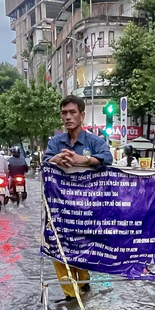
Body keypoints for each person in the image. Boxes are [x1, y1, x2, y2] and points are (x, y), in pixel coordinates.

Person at [44, 95, 113, 299]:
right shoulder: (56, 142)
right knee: (58, 247)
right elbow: (45, 161)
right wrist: (55, 159)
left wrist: (84, 160)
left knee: (82, 247)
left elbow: (107, 158)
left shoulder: (94, 141)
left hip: (87, 209)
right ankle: (70, 295)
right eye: (64, 113)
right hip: (61, 208)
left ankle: (83, 282)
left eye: (72, 112)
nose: (68, 117)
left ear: (82, 115)